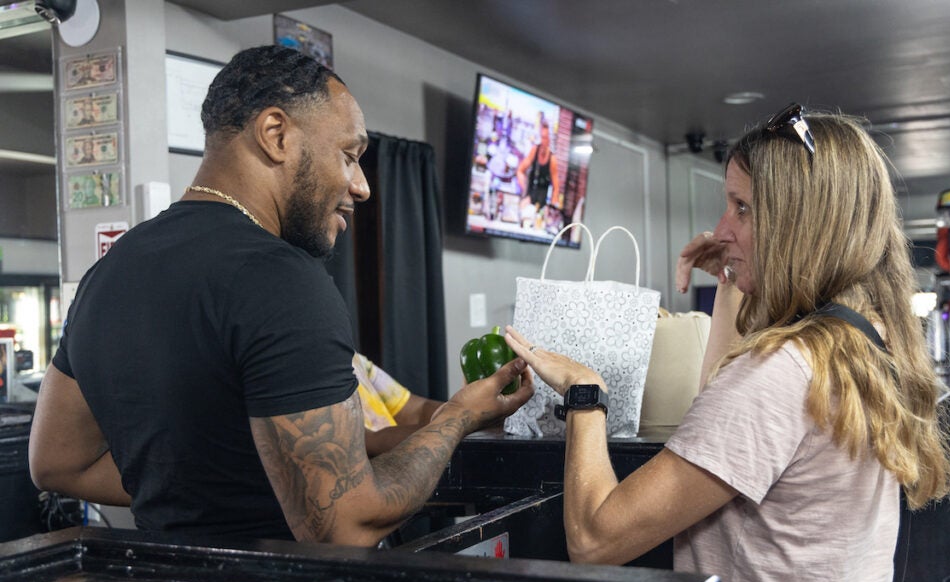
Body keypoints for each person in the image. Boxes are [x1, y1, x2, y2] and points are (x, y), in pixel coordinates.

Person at [505, 104, 950, 582]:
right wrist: (731, 278)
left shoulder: (780, 373)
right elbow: (720, 412)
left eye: (742, 209)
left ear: (801, 225)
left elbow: (597, 539)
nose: (721, 229)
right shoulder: (865, 342)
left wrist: (585, 393)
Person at [29, 45, 532, 548]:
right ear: (276, 135)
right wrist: (459, 416)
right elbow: (347, 527)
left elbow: (57, 464)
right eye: (349, 156)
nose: (362, 187)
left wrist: (217, 489)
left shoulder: (109, 272)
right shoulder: (283, 279)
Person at [353, 352, 445, 456]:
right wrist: (457, 419)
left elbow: (418, 411)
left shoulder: (352, 358)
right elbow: (364, 444)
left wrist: (460, 411)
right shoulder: (332, 369)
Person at [515, 118, 560, 217]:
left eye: (546, 138)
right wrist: (524, 188)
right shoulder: (534, 150)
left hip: (542, 205)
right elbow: (520, 170)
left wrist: (551, 208)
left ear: (549, 139)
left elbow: (556, 187)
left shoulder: (552, 159)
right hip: (528, 199)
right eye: (542, 137)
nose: (543, 141)